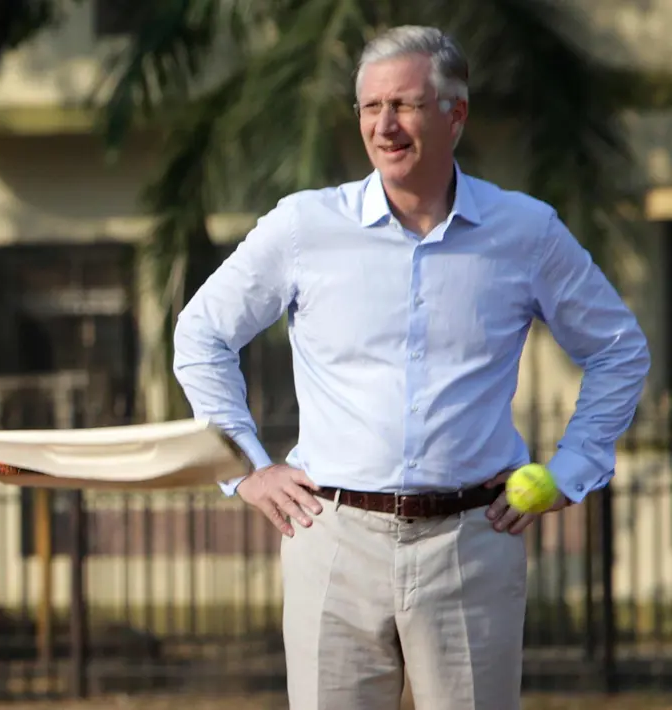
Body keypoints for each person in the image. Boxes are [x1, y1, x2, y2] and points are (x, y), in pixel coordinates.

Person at [172, 25, 650, 710]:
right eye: (369, 107)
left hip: (472, 540)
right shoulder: (304, 227)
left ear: (454, 114)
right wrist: (244, 467)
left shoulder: (526, 231)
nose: (383, 126)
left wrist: (573, 469)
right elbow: (201, 333)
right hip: (329, 537)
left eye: (404, 105)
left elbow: (616, 348)